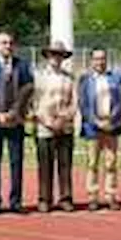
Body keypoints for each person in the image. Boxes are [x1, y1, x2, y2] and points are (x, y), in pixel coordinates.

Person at [0, 31, 34, 214]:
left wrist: (14, 113)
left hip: (15, 121)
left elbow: (28, 91)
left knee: (16, 162)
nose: (7, 46)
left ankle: (16, 201)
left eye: (10, 43)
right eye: (3, 43)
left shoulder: (22, 65)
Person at [79, 48, 121, 211]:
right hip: (93, 127)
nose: (100, 62)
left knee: (111, 162)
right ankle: (92, 197)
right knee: (92, 163)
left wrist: (112, 119)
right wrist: (96, 122)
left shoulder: (116, 78)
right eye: (97, 59)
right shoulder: (85, 80)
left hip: (112, 126)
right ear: (91, 61)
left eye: (102, 58)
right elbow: (83, 104)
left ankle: (111, 195)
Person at [32, 40, 76, 213]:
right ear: (48, 56)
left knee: (65, 165)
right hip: (45, 127)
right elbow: (34, 103)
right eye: (53, 54)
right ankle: (45, 199)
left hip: (64, 126)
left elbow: (74, 102)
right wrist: (47, 121)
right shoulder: (38, 76)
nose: (56, 58)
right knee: (45, 165)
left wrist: (64, 119)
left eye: (60, 55)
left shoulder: (69, 77)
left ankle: (65, 198)